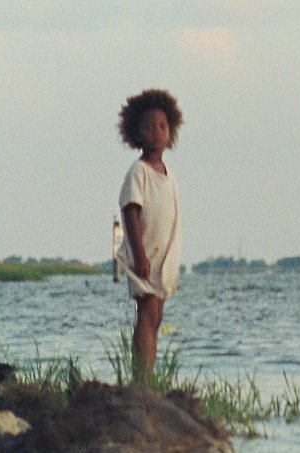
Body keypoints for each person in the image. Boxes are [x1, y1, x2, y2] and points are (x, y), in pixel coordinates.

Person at [116, 89, 184, 383]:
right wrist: (139, 253)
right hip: (144, 254)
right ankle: (141, 378)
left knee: (157, 316)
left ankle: (149, 376)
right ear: (136, 134)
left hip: (163, 256)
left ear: (170, 132)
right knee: (146, 312)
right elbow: (130, 211)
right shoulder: (138, 172)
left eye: (162, 127)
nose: (156, 133)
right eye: (148, 127)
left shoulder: (168, 174)